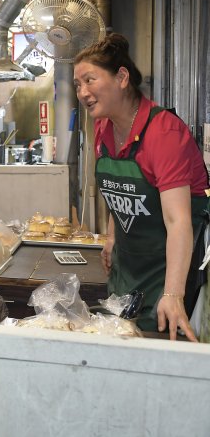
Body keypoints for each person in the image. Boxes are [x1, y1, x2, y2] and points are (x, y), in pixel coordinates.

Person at [74, 33, 209, 340]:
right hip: (128, 265)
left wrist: (173, 294)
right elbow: (118, 188)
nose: (82, 92)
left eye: (90, 80)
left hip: (172, 269)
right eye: (78, 84)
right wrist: (112, 235)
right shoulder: (102, 127)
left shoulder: (164, 133)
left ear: (121, 77)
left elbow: (179, 221)